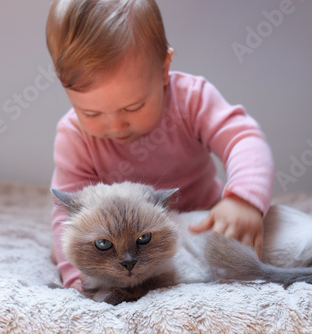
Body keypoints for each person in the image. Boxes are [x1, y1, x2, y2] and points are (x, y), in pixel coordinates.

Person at [46, 0, 274, 290]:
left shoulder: (191, 98)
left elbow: (243, 139)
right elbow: (71, 214)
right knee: (63, 243)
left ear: (164, 68)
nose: (115, 126)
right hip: (128, 242)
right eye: (91, 113)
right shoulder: (73, 134)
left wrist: (243, 200)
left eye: (133, 107)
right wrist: (75, 276)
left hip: (201, 218)